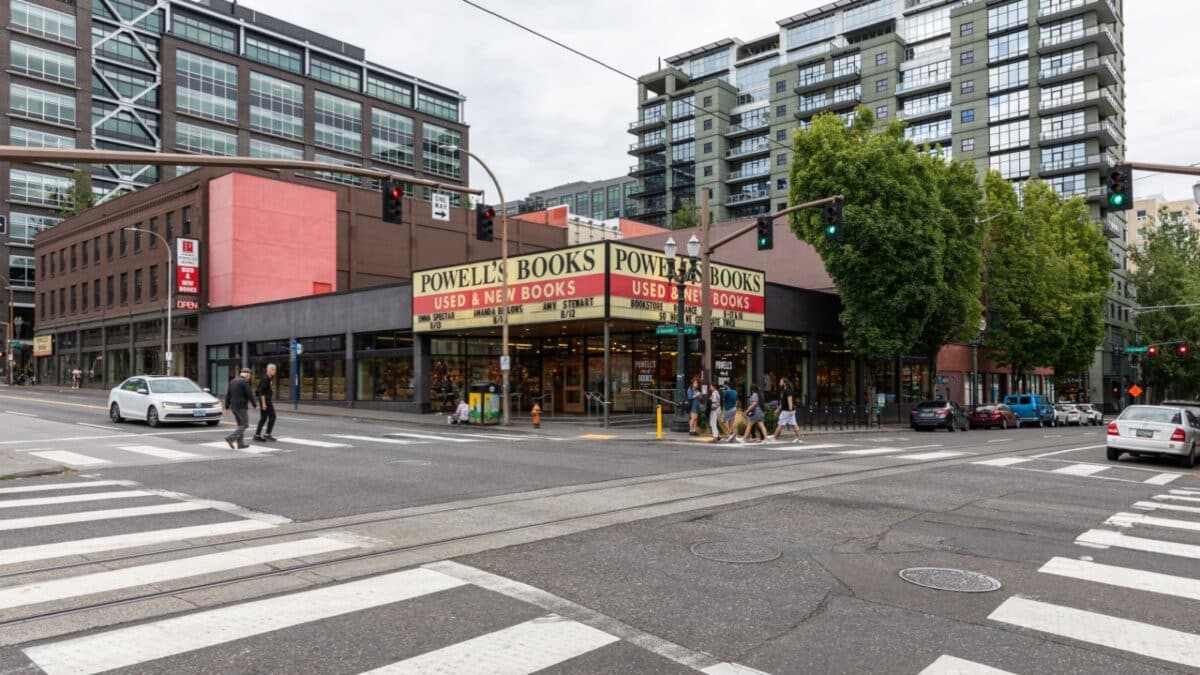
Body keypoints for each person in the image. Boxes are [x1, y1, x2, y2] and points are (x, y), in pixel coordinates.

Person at [223, 367, 257, 450]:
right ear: (247, 375)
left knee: (240, 425)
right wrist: (254, 404)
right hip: (241, 407)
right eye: (249, 376)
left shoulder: (232, 381)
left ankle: (240, 444)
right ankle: (231, 438)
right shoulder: (245, 382)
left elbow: (228, 395)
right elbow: (250, 394)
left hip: (233, 407)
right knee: (245, 425)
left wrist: (227, 407)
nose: (249, 378)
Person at [768, 377, 802, 443]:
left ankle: (774, 438)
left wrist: (790, 410)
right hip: (789, 410)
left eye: (781, 382)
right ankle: (799, 438)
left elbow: (789, 401)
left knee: (780, 424)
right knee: (794, 424)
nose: (779, 383)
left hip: (787, 411)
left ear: (784, 383)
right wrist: (778, 409)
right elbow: (784, 402)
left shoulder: (787, 391)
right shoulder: (786, 390)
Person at [253, 363, 278, 443]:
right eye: (273, 369)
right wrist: (263, 404)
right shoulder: (265, 379)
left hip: (266, 400)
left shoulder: (269, 378)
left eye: (275, 369)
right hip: (266, 401)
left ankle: (257, 435)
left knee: (263, 418)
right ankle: (267, 434)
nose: (274, 371)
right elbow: (261, 392)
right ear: (268, 370)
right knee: (273, 416)